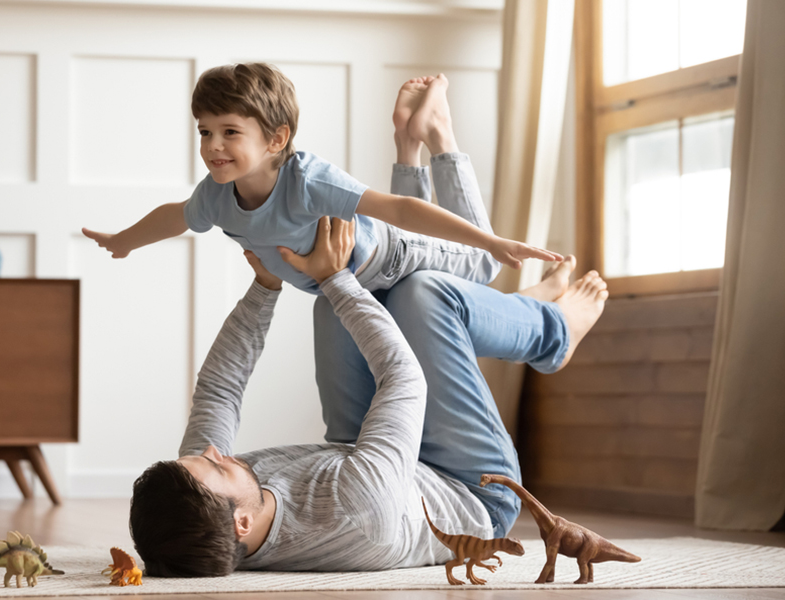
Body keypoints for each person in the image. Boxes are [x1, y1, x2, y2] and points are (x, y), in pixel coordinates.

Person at [128, 212, 608, 576]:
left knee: (336, 308)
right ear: (241, 527)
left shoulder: (205, 503)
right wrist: (335, 278)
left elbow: (219, 390)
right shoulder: (358, 511)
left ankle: (517, 307)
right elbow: (404, 379)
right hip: (471, 488)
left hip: (364, 455)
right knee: (422, 295)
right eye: (214, 465)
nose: (215, 453)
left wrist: (265, 286)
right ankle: (552, 332)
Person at [82, 64, 562, 297]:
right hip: (354, 281)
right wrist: (125, 241)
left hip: (391, 257)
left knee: (484, 268)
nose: (212, 146)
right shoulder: (216, 196)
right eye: (205, 131)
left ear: (276, 139)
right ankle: (410, 139)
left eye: (230, 132)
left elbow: (397, 210)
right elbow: (177, 216)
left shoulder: (307, 179)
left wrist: (492, 240)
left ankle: (438, 136)